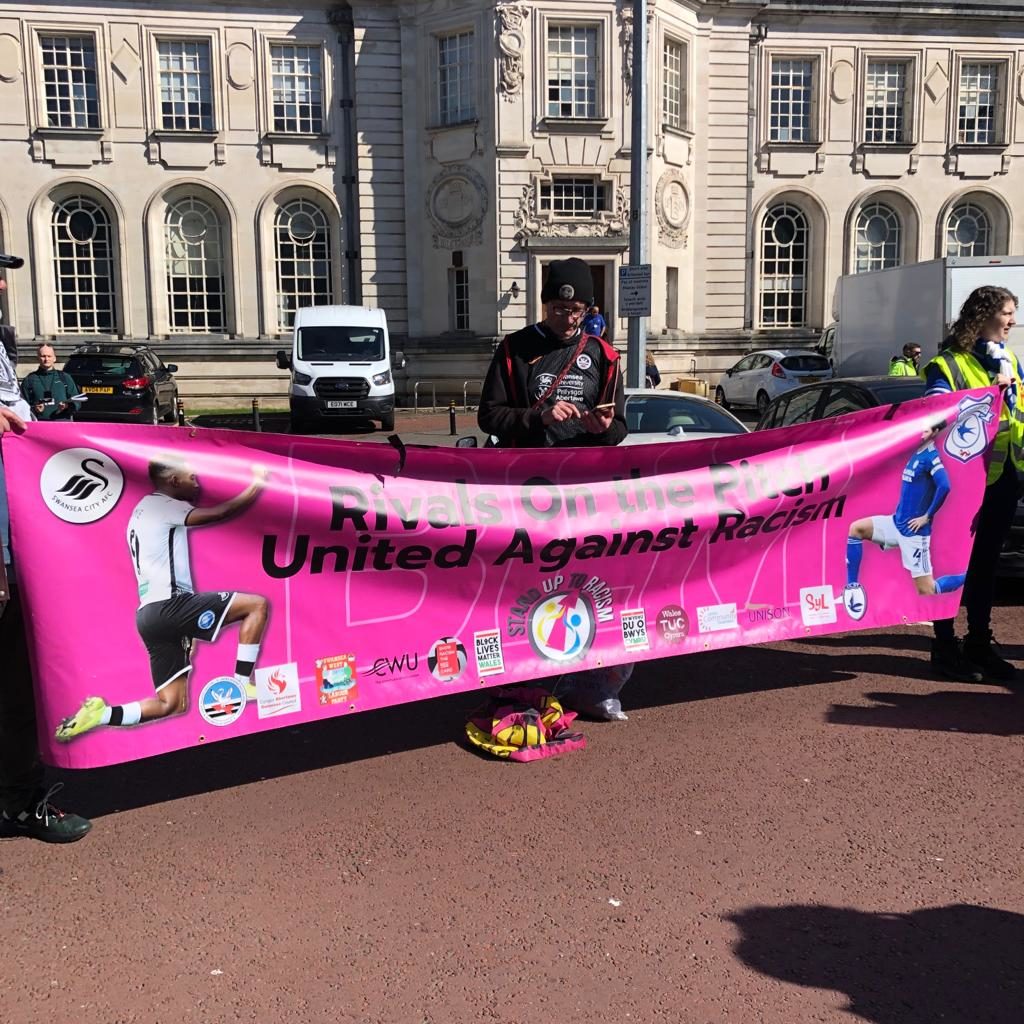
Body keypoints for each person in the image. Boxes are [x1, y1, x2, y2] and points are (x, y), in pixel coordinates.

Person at [478, 258, 631, 719]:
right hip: (526, 496)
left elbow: (618, 428)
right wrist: (538, 417)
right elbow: (489, 417)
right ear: (545, 305)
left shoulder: (604, 356)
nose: (567, 318)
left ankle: (593, 686)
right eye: (559, 309)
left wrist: (604, 427)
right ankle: (523, 686)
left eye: (577, 310)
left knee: (587, 586)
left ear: (588, 309)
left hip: (583, 496)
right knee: (526, 589)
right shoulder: (515, 348)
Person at [55, 456, 272, 741]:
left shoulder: (140, 511)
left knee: (172, 704)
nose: (197, 482)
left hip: (148, 616)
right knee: (256, 606)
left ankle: (99, 714)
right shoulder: (163, 505)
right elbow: (220, 513)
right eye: (191, 477)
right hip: (171, 605)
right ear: (173, 481)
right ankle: (243, 683)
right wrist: (257, 483)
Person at [0, 349, 91, 840]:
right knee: (13, 682)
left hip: (20, 532)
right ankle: (17, 802)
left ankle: (17, 796)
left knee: (18, 680)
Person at [922, 285, 1024, 683]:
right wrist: (990, 395)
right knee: (949, 562)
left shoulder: (1009, 358)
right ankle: (945, 645)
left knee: (986, 566)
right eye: (1007, 312)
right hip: (961, 482)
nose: (1012, 320)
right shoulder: (946, 364)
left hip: (1002, 477)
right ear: (983, 315)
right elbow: (937, 417)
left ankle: (979, 643)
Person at [842, 421, 967, 620]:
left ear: (935, 432)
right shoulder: (916, 452)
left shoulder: (931, 457)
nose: (920, 432)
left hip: (914, 534)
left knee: (927, 589)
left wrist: (927, 516)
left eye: (925, 429)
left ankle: (969, 576)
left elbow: (945, 486)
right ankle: (852, 587)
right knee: (856, 529)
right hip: (895, 524)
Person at [20, 344, 81, 420]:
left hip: (62, 423)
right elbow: (22, 405)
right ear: (38, 358)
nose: (46, 359)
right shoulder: (29, 380)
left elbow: (77, 401)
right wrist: (34, 408)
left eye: (49, 356)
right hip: (39, 424)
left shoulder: (65, 378)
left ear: (54, 358)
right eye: (43, 356)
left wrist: (67, 406)